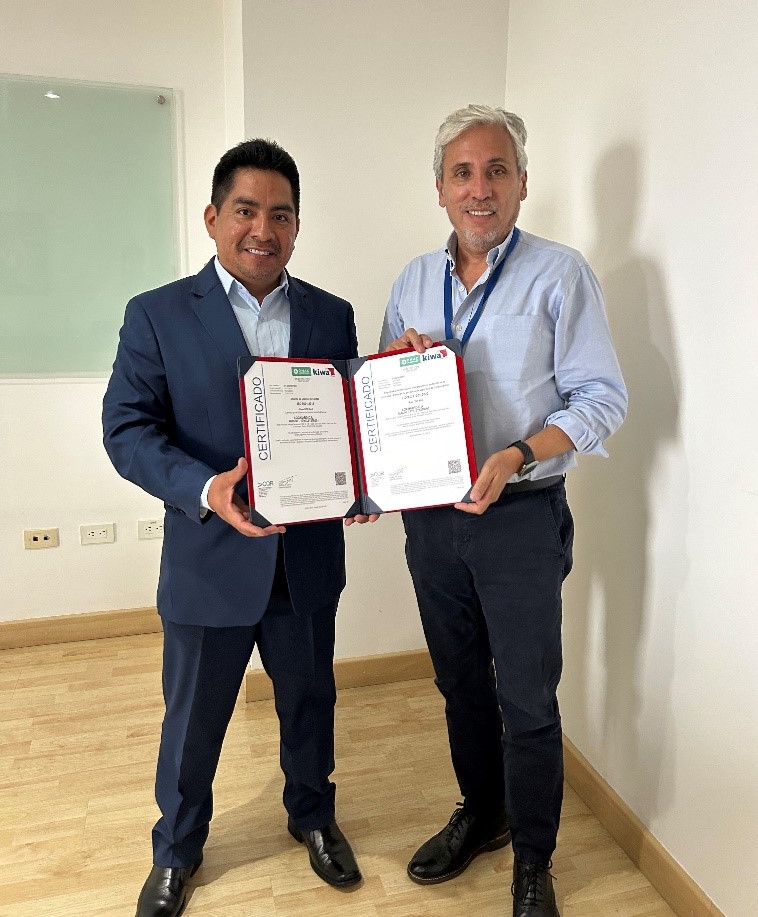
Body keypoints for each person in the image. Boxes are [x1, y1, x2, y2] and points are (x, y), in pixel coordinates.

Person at [103, 139, 362, 917]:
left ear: (297, 226)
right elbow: (127, 429)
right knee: (192, 721)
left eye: (281, 215)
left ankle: (312, 814)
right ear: (213, 217)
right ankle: (177, 848)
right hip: (208, 559)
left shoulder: (331, 314)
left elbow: (350, 423)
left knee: (310, 701)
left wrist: (366, 478)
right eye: (246, 210)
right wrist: (203, 488)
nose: (263, 229)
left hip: (304, 559)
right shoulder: (156, 313)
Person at [380, 105, 627, 917]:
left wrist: (518, 452)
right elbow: (381, 390)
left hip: (520, 516)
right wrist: (396, 365)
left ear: (523, 183)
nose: (479, 188)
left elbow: (602, 399)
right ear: (440, 189)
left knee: (526, 697)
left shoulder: (561, 274)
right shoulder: (412, 281)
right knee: (459, 682)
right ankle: (482, 811)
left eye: (496, 171)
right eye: (463, 172)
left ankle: (533, 857)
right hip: (432, 520)